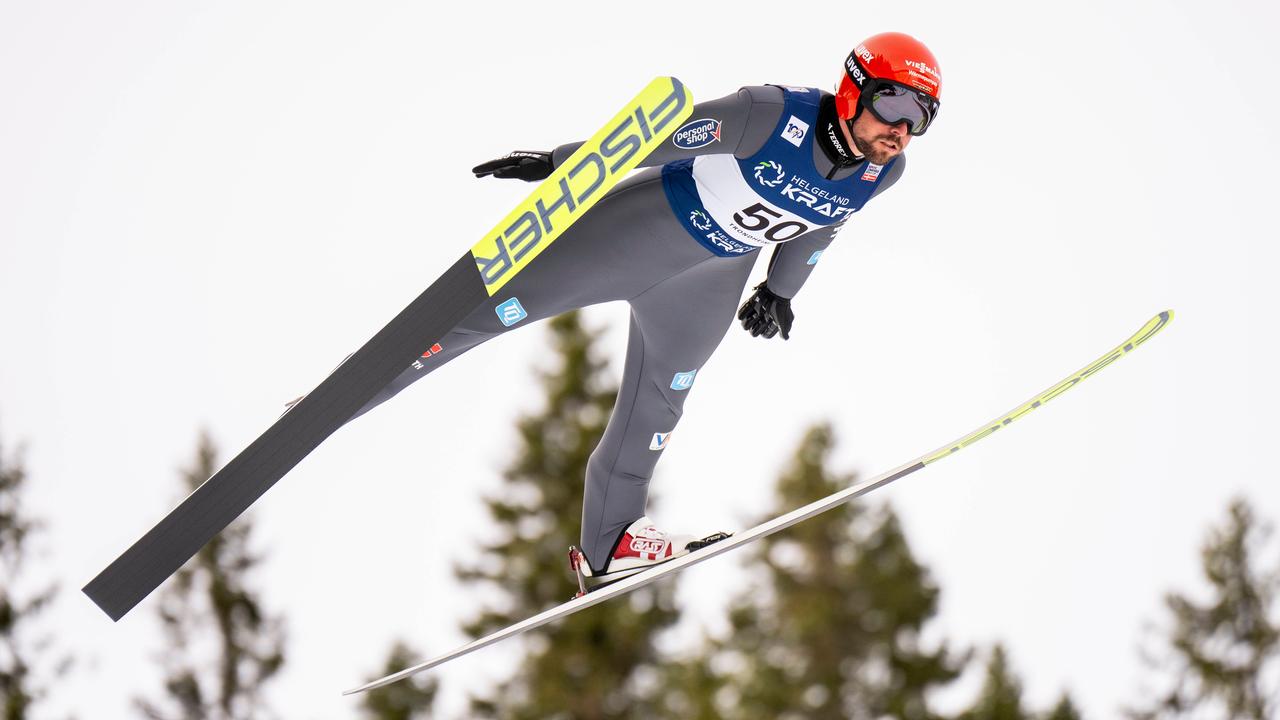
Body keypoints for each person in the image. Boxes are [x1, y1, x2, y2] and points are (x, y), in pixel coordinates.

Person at [353, 31, 943, 581]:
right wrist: (562, 162)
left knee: (660, 404)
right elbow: (661, 135)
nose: (902, 129)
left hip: (712, 278)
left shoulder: (881, 173)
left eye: (921, 117)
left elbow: (824, 224)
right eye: (895, 105)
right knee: (492, 311)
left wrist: (778, 291)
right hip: (643, 231)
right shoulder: (771, 114)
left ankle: (609, 542)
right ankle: (356, 388)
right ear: (853, 88)